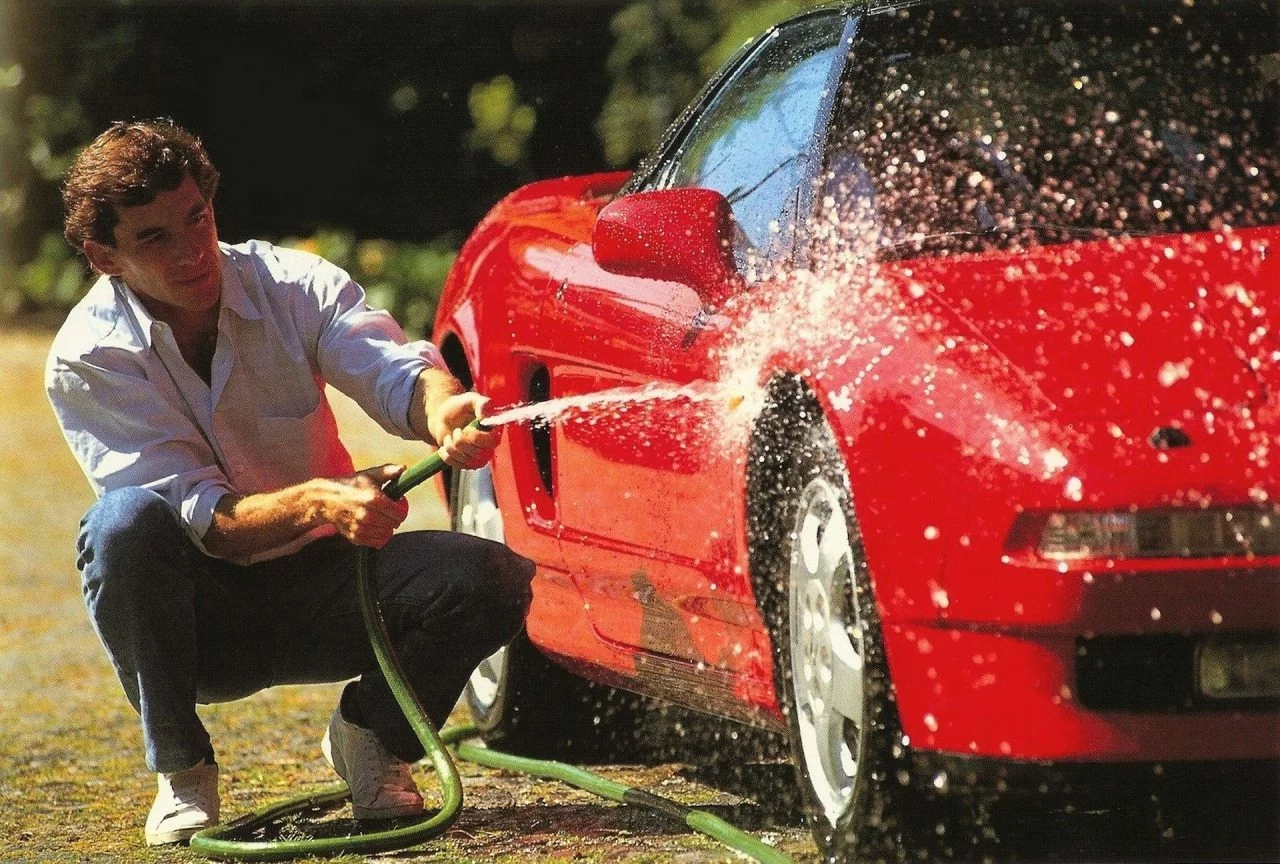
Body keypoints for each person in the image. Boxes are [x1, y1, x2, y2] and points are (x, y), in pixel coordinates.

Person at [45, 118, 535, 846]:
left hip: (331, 587)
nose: (192, 251)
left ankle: (372, 738)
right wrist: (318, 501)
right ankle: (182, 771)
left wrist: (443, 407)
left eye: (197, 219)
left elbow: (391, 369)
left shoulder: (292, 282)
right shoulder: (88, 358)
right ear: (103, 256)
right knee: (119, 528)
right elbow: (197, 517)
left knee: (491, 577)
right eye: (155, 238)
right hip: (201, 617)